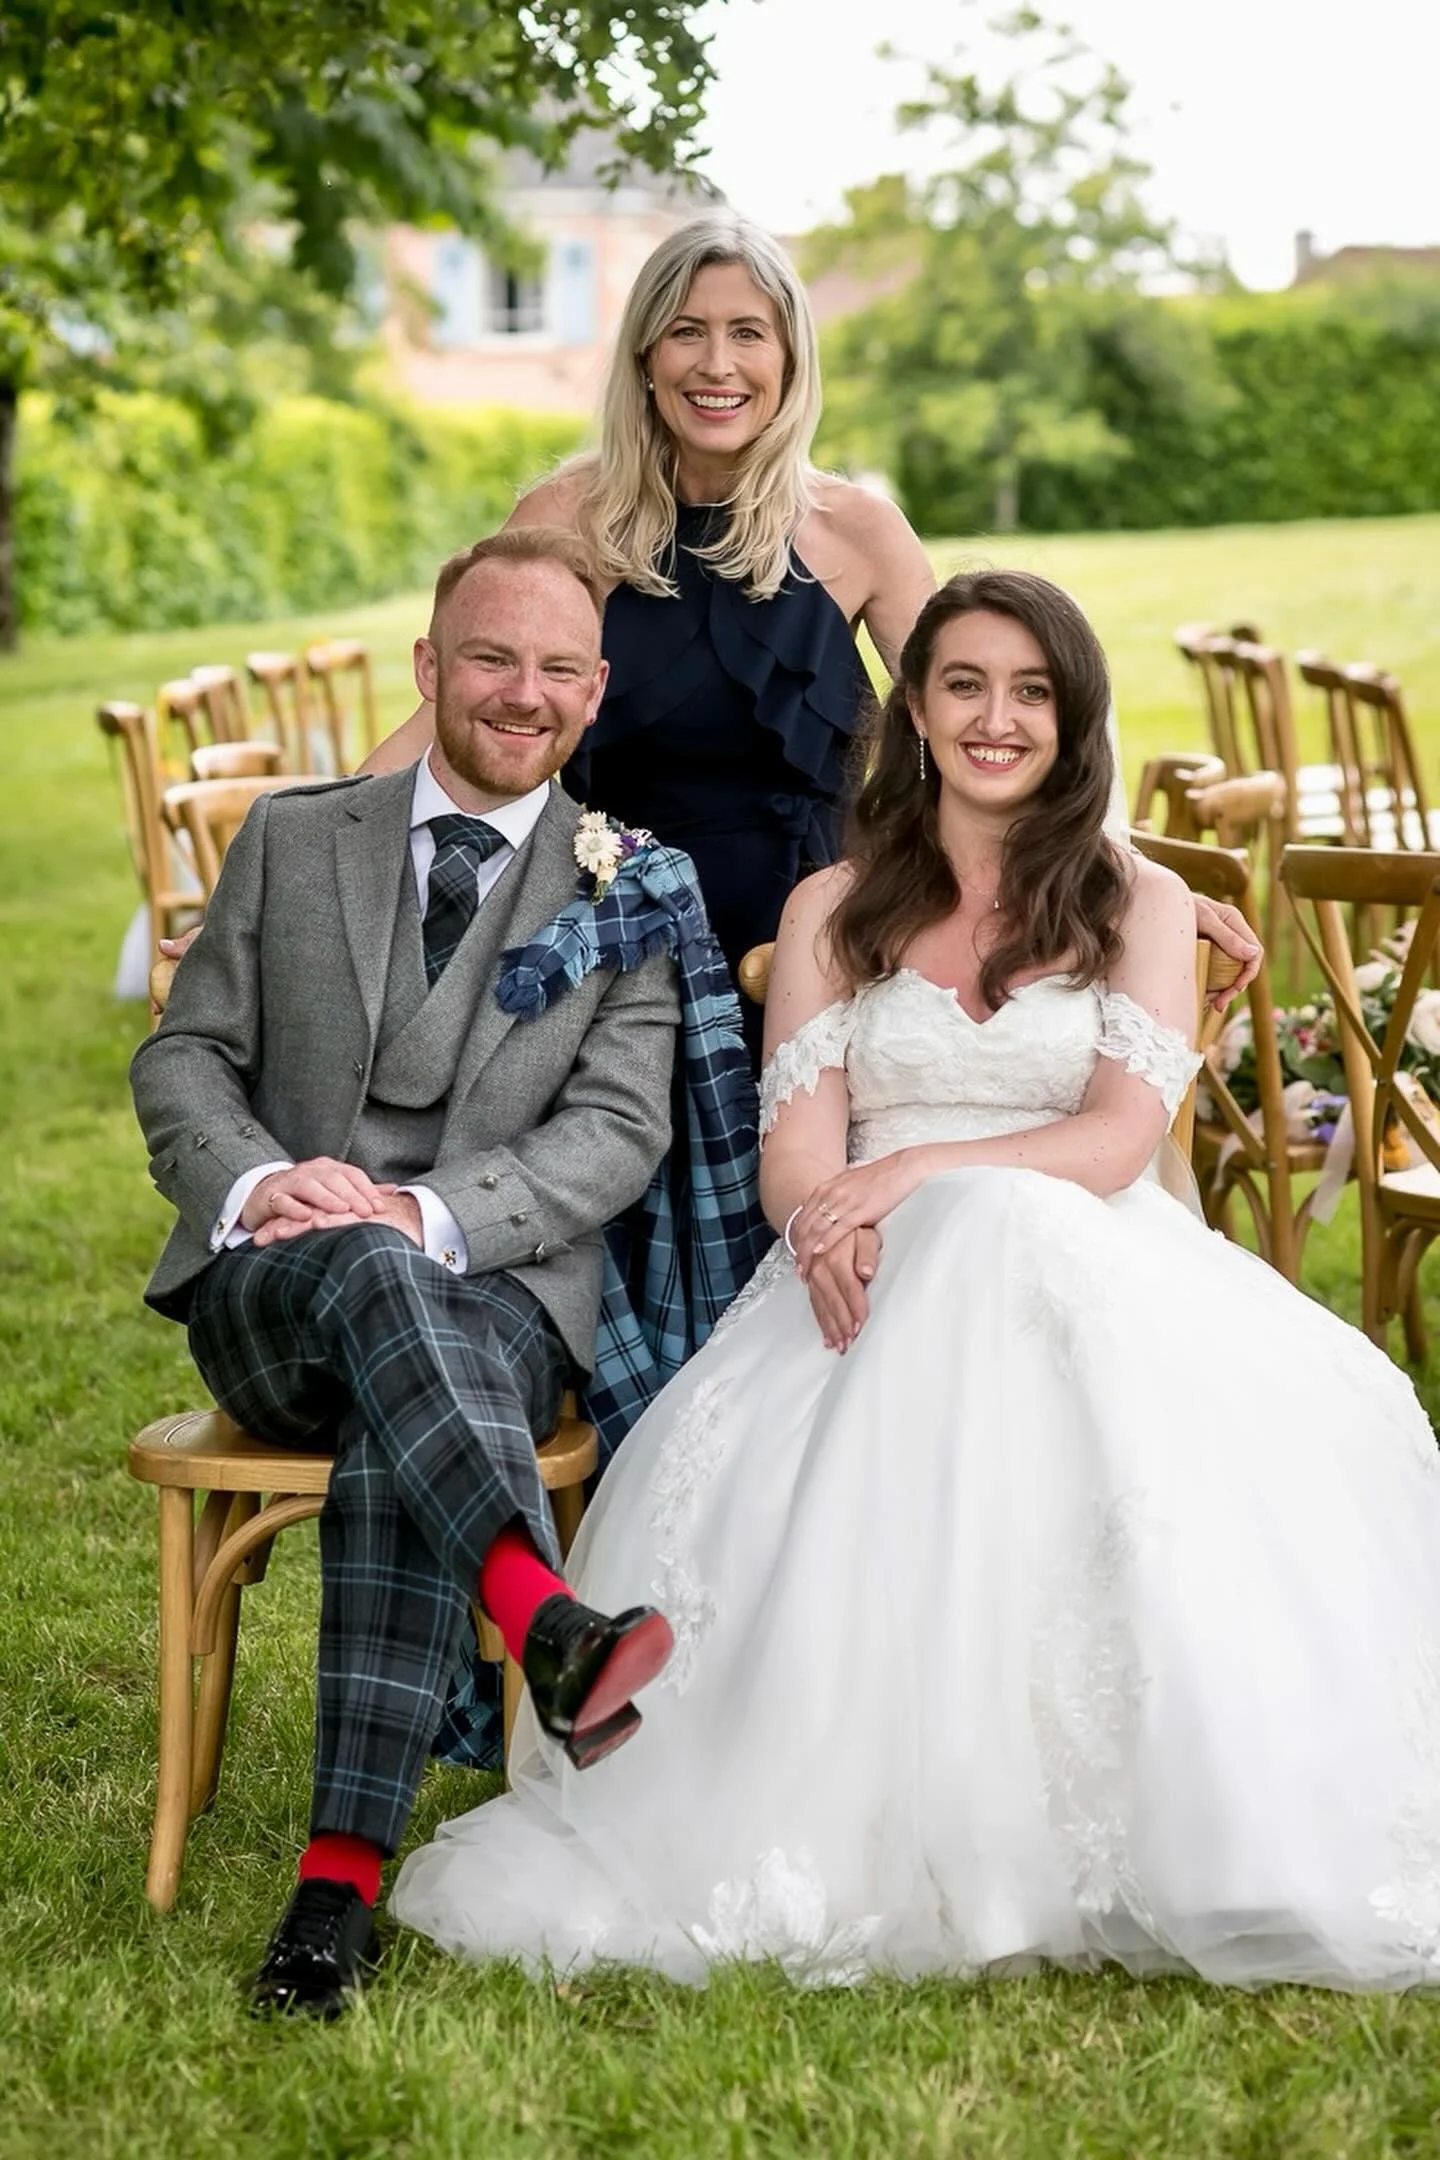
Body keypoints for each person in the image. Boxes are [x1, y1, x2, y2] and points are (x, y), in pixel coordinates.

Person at [392, 569, 1440, 1992]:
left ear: (1075, 721)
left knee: (1008, 1238)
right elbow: (793, 1160)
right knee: (960, 1258)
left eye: (1032, 692)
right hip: (853, 1270)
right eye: (964, 685)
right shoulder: (833, 905)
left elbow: (1121, 1140)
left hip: (1088, 1251)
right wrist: (846, 1208)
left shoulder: (1140, 897)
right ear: (917, 712)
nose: (997, 719)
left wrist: (903, 1180)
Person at [130, 529, 684, 2019]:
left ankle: (332, 1898)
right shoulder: (295, 838)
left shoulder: (628, 886)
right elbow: (185, 1052)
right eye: (493, 658)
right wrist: (259, 1179)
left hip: (492, 1298)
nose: (525, 693)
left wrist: (427, 1217)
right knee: (365, 1279)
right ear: (430, 669)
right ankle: (538, 1610)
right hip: (274, 1297)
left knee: (405, 1364)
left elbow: (619, 1132)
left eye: (560, 668)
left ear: (597, 691)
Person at [362, 211, 1259, 1056]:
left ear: (790, 358)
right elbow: (453, 717)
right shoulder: (565, 514)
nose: (718, 364)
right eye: (687, 331)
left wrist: (1132, 878)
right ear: (644, 355)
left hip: (812, 951)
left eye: (748, 333)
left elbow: (982, 725)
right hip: (597, 942)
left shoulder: (859, 530)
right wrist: (296, 860)